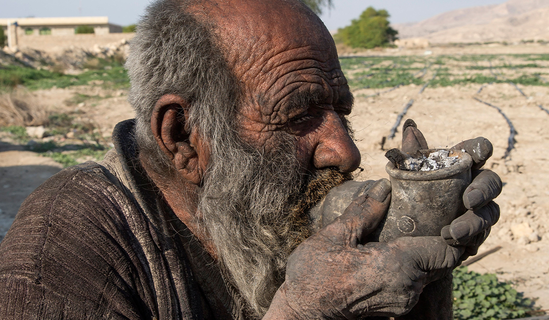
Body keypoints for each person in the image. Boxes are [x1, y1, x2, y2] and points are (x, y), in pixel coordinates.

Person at [0, 0, 501, 319]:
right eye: (296, 115)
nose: (345, 153)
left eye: (339, 112)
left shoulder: (259, 210)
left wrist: (422, 241)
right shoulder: (60, 255)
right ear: (182, 138)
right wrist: (303, 313)